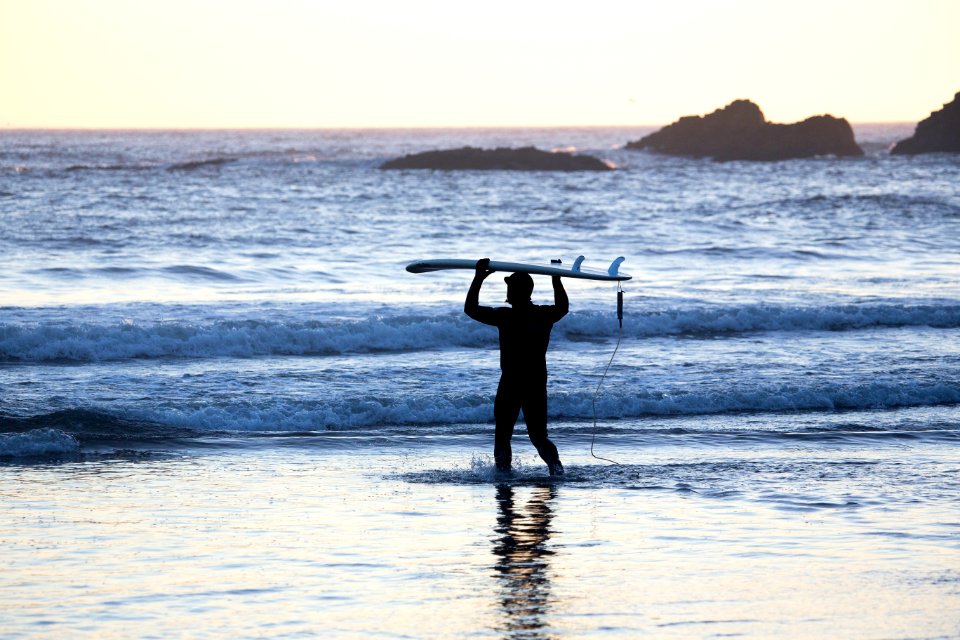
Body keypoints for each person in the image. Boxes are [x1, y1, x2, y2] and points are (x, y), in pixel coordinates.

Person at [464, 258, 568, 475]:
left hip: (511, 382)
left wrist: (478, 278)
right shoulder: (543, 315)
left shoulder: (505, 316)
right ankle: (557, 471)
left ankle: (503, 478)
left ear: (515, 291)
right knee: (539, 436)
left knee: (503, 434)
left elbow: (470, 309)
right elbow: (563, 307)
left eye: (510, 286)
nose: (507, 291)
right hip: (536, 381)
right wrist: (556, 278)